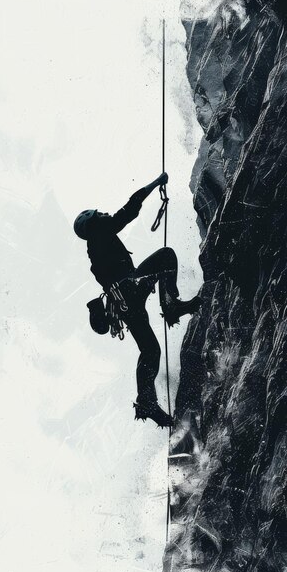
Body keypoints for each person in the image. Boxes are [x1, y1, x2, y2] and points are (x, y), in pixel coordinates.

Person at [73, 173, 201, 427]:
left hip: (125, 302)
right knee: (165, 257)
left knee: (150, 351)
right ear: (93, 222)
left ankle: (147, 401)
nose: (105, 214)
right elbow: (129, 209)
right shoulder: (100, 233)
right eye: (99, 214)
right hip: (130, 291)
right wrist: (156, 183)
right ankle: (171, 305)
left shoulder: (95, 248)